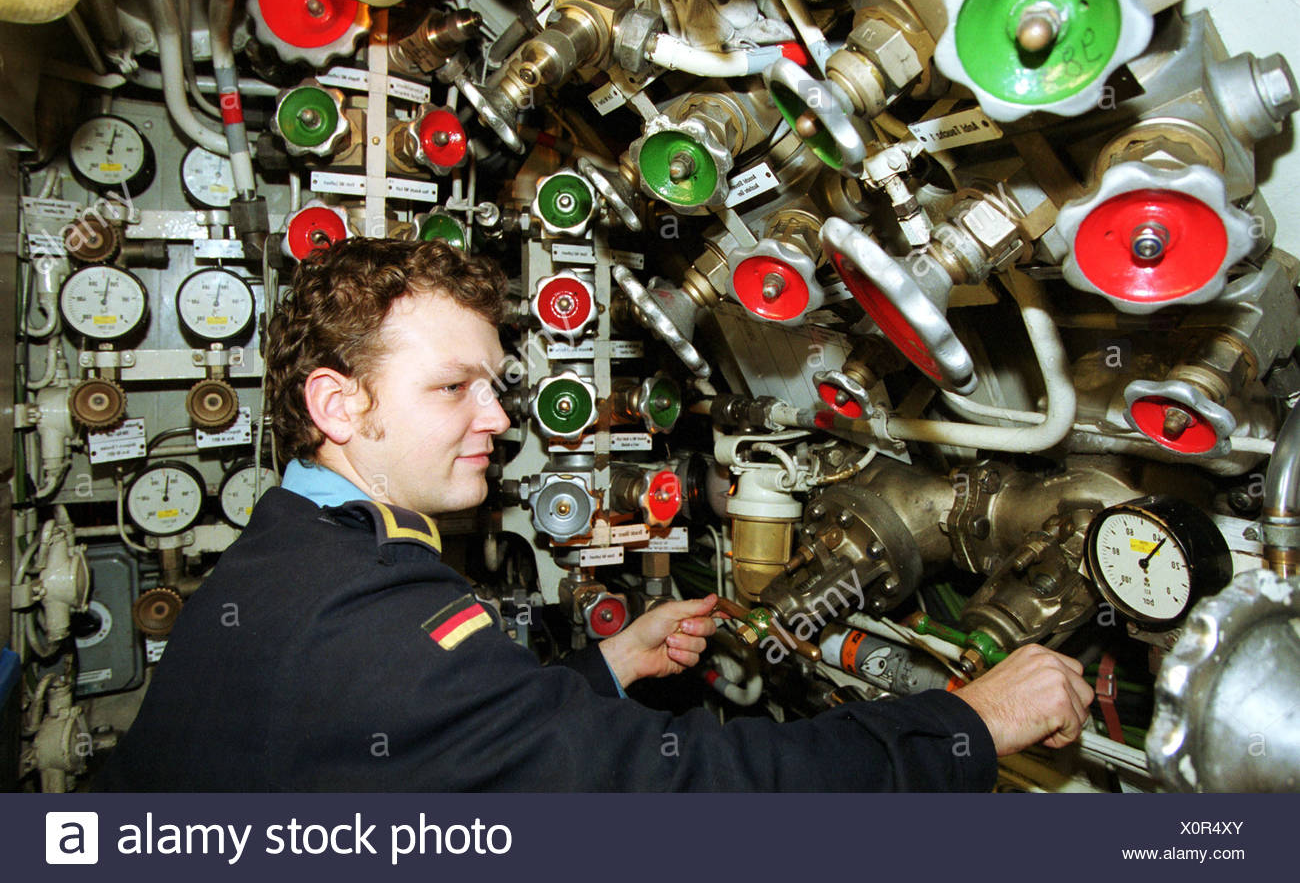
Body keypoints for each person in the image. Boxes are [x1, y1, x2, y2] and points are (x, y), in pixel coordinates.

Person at [95, 237, 1094, 792]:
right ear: (337, 406)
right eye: (455, 389)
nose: (498, 416)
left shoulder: (301, 549)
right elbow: (678, 799)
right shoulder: (363, 615)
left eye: (495, 383)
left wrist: (604, 669)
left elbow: (448, 742)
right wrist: (964, 722)